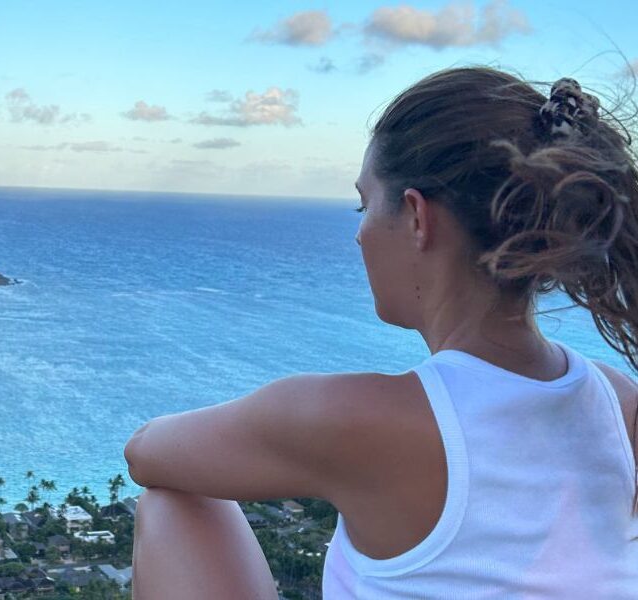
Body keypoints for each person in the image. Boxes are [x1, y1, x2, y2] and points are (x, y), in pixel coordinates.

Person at [123, 66, 638, 598]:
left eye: (364, 205)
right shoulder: (619, 402)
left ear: (417, 217)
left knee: (170, 501)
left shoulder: (357, 417)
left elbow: (146, 452)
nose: (360, 235)